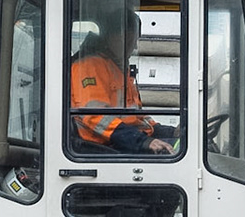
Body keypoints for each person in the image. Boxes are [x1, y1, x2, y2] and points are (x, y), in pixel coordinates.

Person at [70, 8, 175, 154]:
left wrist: (168, 132)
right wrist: (142, 141)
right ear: (116, 37)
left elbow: (138, 117)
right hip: (102, 147)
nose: (135, 46)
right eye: (132, 40)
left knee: (183, 144)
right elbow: (95, 116)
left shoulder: (117, 68)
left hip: (124, 140)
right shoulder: (89, 66)